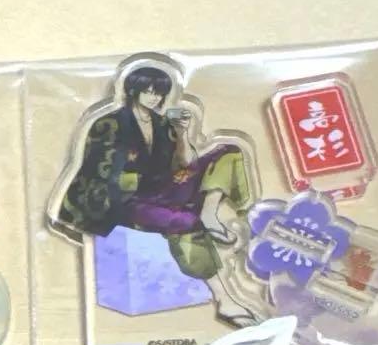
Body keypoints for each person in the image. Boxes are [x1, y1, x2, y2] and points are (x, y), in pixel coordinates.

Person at [55, 65, 255, 324]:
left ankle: (212, 213)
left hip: (164, 189)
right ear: (133, 90)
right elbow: (101, 175)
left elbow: (186, 164)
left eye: (159, 93)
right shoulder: (110, 124)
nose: (154, 97)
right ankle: (224, 300)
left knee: (228, 152)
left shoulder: (163, 123)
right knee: (184, 221)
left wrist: (182, 134)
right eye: (148, 91)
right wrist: (155, 180)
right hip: (127, 200)